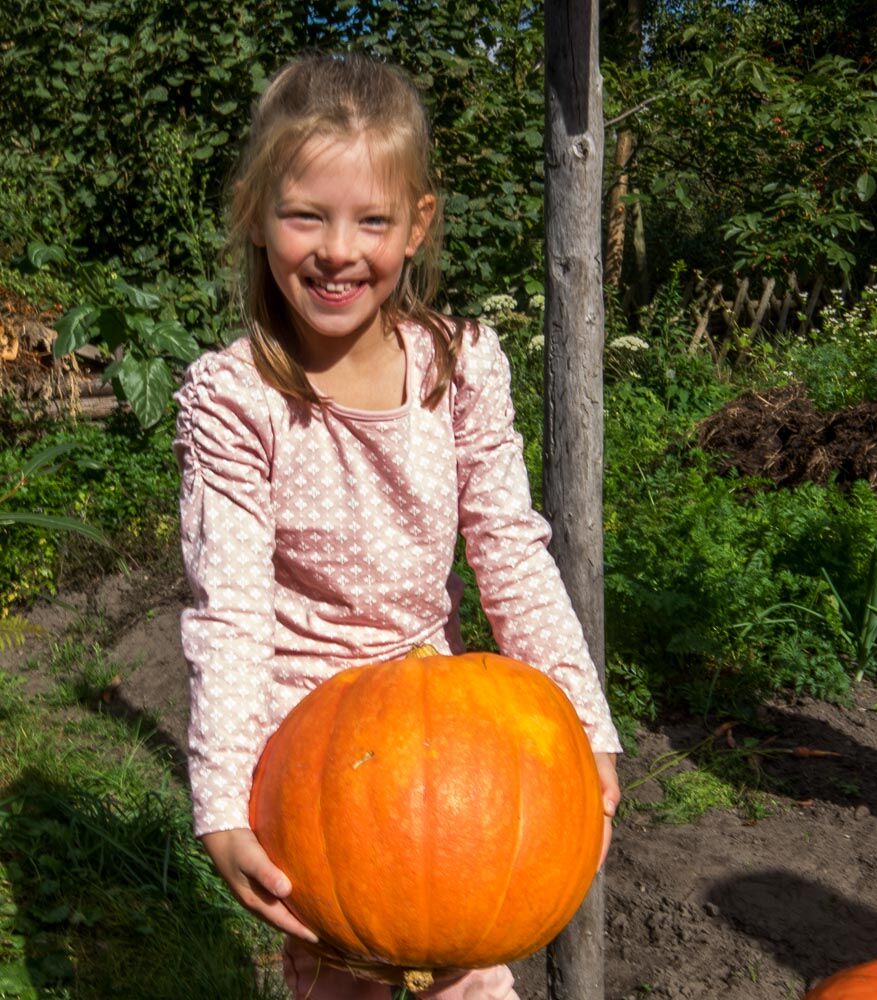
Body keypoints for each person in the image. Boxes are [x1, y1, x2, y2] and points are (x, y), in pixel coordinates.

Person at [173, 51, 622, 1000]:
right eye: (308, 215)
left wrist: (584, 723)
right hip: (314, 762)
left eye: (372, 219)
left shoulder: (458, 369)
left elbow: (508, 552)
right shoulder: (236, 399)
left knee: (473, 964)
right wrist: (221, 803)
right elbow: (233, 612)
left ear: (416, 225)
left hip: (446, 743)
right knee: (342, 978)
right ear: (258, 213)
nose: (340, 250)